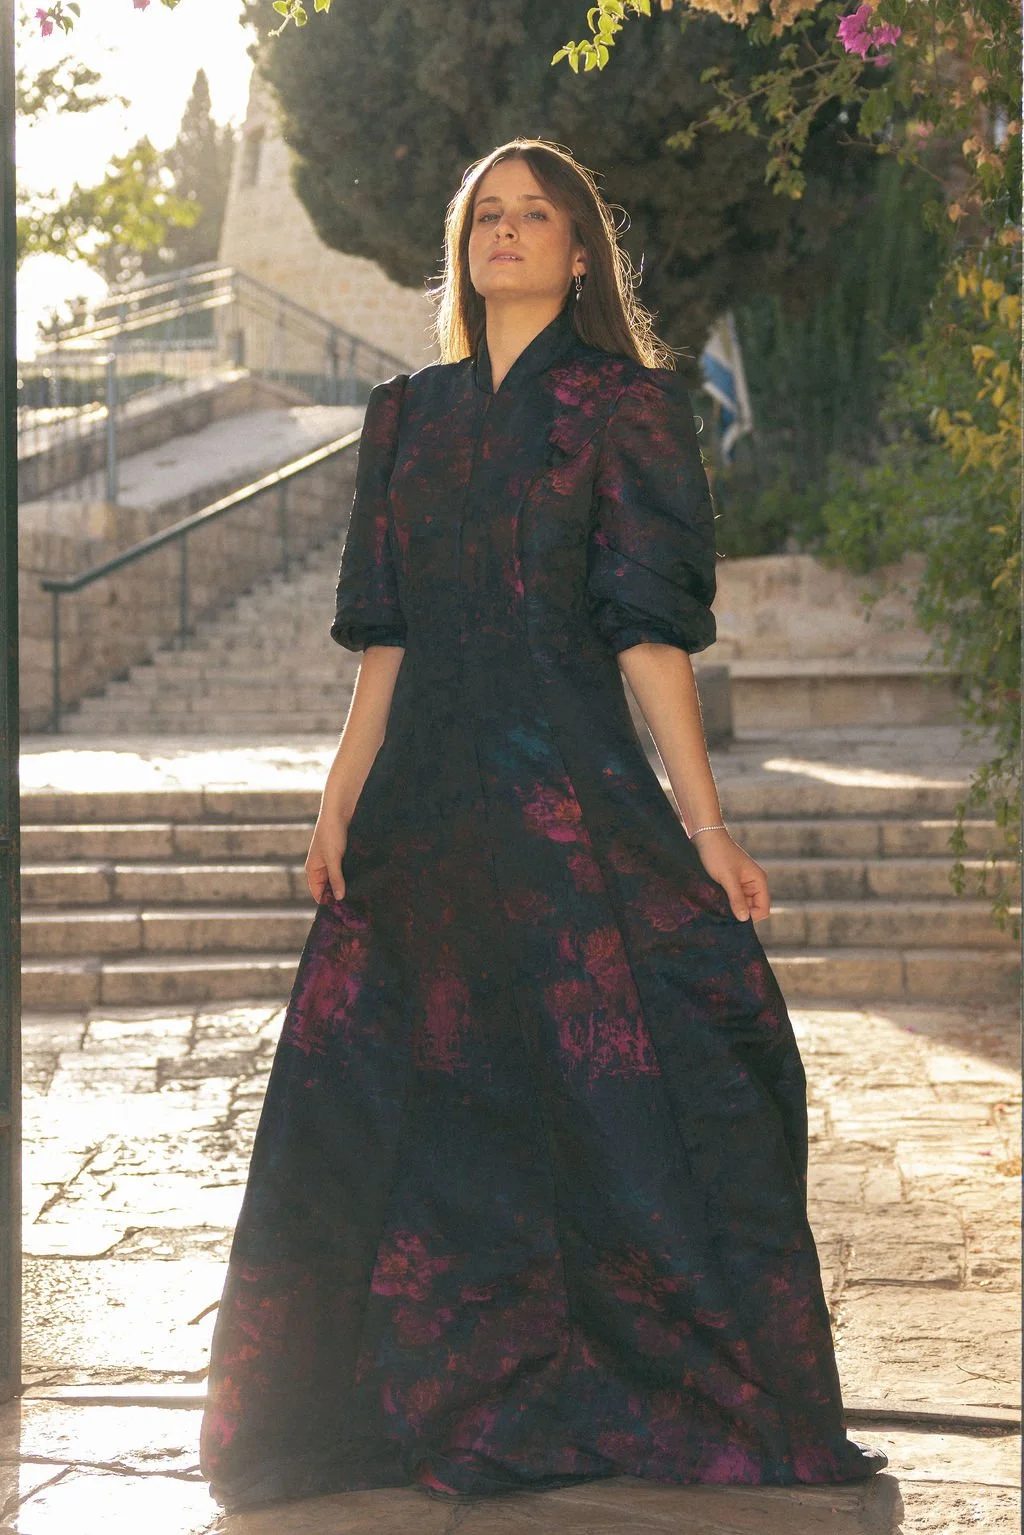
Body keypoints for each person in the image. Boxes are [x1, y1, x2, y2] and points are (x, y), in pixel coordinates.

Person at [199, 138, 887, 1511]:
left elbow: (647, 638)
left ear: (583, 253)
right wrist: (338, 795)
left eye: (537, 215)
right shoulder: (404, 414)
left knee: (675, 1068)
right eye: (488, 215)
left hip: (571, 794)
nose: (506, 233)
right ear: (465, 248)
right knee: (405, 1097)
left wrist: (706, 824)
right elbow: (381, 642)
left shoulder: (628, 405)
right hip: (421, 813)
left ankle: (644, 1384)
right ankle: (429, 1396)